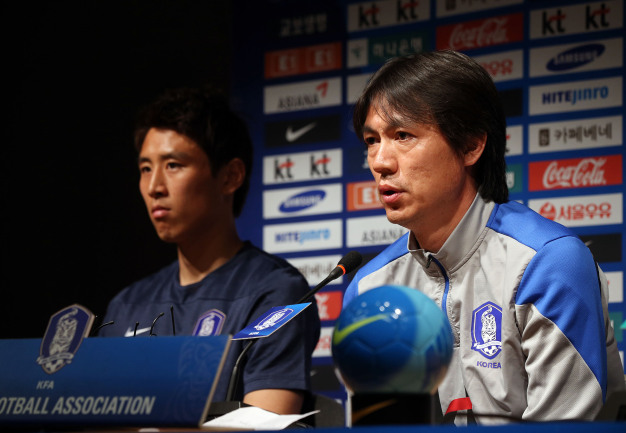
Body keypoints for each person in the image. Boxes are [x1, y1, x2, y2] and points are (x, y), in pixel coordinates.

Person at [343, 50, 624, 424]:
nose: (379, 161)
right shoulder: (369, 289)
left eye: (402, 135)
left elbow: (562, 426)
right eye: (371, 140)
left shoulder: (546, 262)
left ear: (472, 145)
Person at [98, 87, 320, 415]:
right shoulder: (127, 305)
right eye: (146, 168)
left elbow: (267, 422)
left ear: (230, 176)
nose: (154, 187)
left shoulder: (275, 293)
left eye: (173, 165)